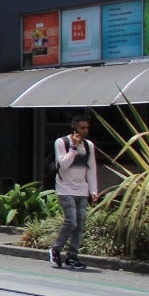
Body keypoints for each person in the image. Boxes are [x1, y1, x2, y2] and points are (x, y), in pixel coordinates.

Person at [49, 115, 99, 270]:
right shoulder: (62, 142)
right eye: (82, 128)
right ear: (74, 127)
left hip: (82, 190)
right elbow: (63, 165)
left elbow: (91, 169)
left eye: (87, 128)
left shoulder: (89, 146)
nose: (85, 131)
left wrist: (93, 190)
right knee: (71, 221)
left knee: (80, 224)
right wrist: (74, 149)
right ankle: (55, 249)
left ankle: (72, 255)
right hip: (65, 188)